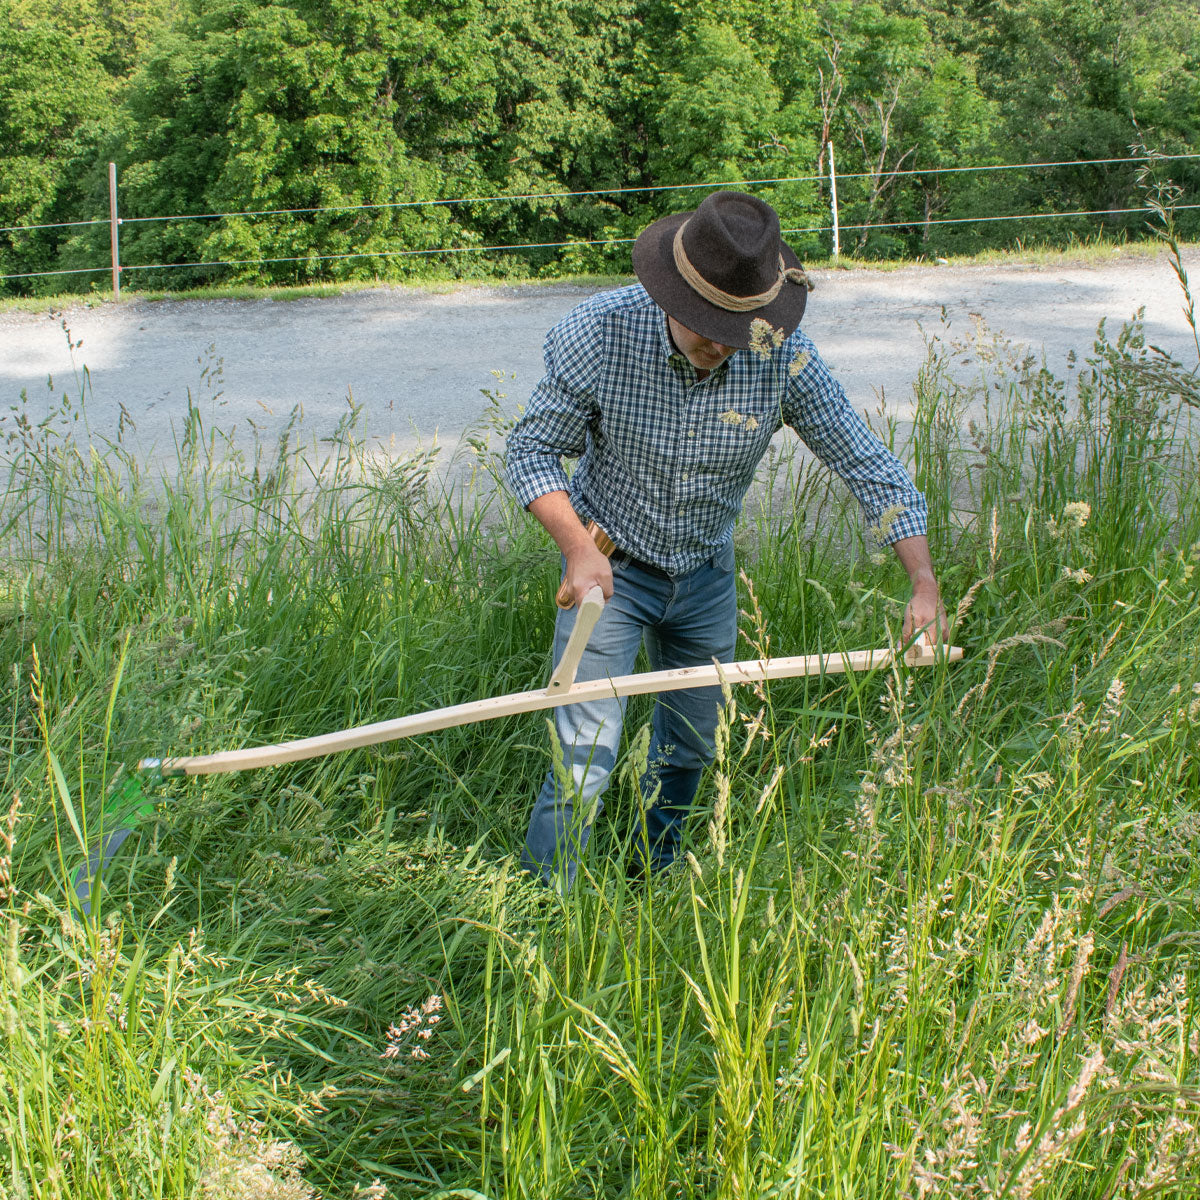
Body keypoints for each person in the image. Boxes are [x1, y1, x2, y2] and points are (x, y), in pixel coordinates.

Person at [505, 190, 946, 888]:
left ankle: (657, 874)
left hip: (706, 575)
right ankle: (544, 912)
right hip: (608, 574)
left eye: (738, 330)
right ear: (670, 293)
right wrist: (576, 548)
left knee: (692, 750)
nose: (722, 345)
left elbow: (866, 462)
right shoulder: (600, 332)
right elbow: (531, 452)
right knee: (582, 760)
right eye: (709, 326)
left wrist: (922, 579)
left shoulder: (780, 353)